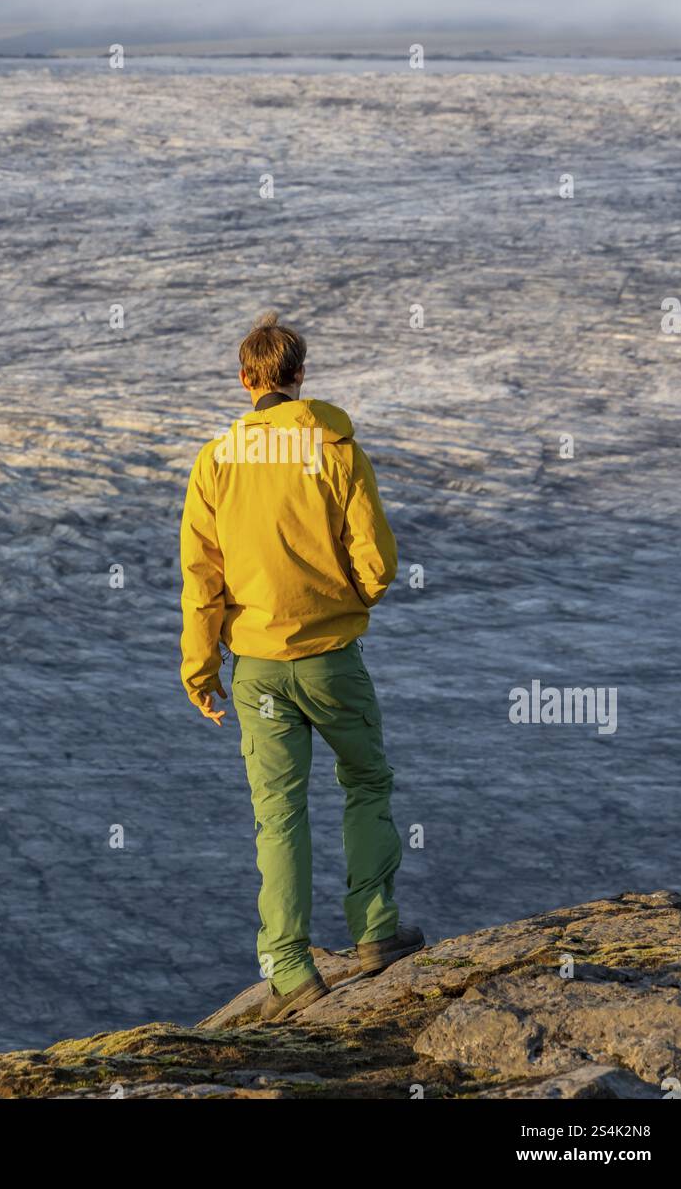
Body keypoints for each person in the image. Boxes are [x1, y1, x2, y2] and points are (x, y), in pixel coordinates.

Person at [179, 313, 423, 1020]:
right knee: (366, 780)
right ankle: (375, 930)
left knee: (277, 814)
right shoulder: (336, 448)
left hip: (255, 669)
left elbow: (201, 578)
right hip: (331, 661)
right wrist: (340, 597)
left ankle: (289, 965)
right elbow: (378, 564)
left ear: (245, 379)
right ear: (300, 376)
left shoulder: (216, 461)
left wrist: (201, 670)